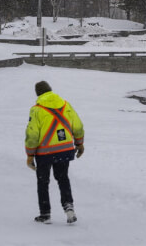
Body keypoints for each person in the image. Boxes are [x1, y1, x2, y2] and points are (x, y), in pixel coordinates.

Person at [25, 81, 85, 224]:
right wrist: (79, 143)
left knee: (43, 182)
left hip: (44, 154)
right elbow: (78, 126)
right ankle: (69, 208)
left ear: (38, 93)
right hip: (64, 150)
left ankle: (45, 214)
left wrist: (30, 154)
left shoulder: (36, 109)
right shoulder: (65, 104)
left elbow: (32, 135)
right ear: (50, 90)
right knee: (63, 178)